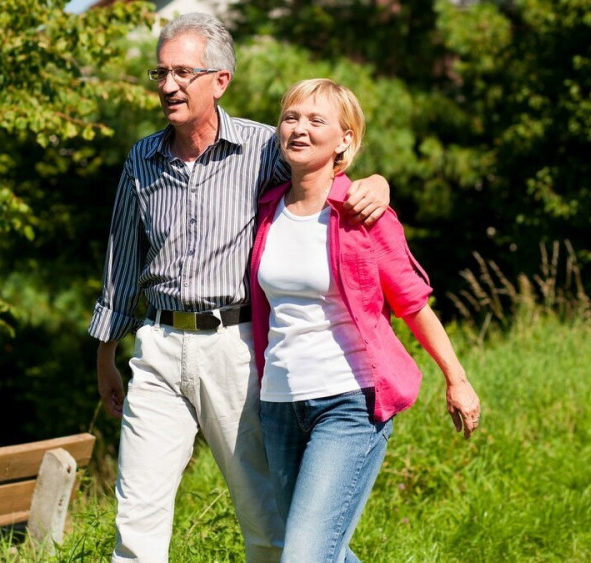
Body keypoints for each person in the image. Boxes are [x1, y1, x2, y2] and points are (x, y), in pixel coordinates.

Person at [88, 14, 392, 563]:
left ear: (220, 79)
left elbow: (323, 169)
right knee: (136, 518)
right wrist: (107, 354)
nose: (168, 86)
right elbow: (122, 262)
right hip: (156, 345)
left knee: (264, 519)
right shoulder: (142, 158)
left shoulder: (260, 147)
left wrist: (375, 182)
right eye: (160, 73)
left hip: (234, 347)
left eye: (183, 72)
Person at [248, 77, 482, 562]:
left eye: (317, 121)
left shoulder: (364, 213)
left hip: (349, 403)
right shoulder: (266, 208)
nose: (300, 129)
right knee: (317, 551)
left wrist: (456, 379)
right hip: (280, 404)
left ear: (345, 139)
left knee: (304, 558)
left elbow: (414, 303)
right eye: (291, 117)